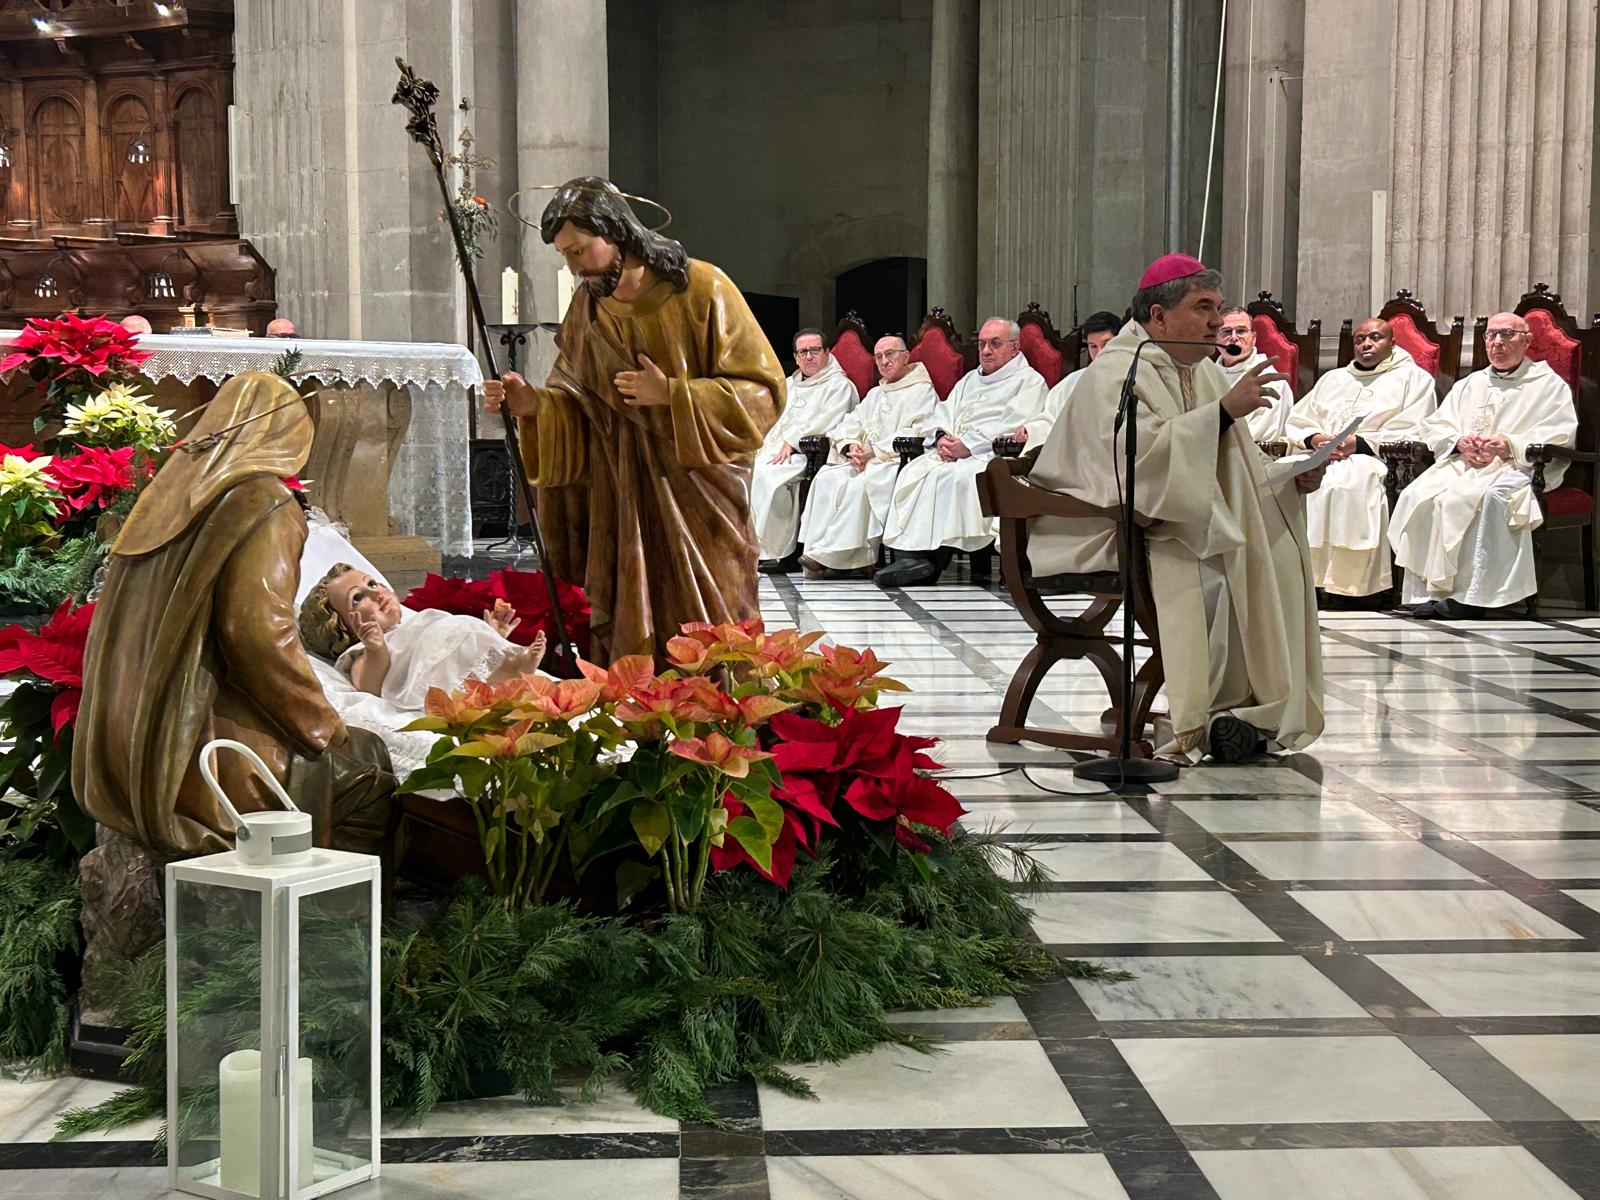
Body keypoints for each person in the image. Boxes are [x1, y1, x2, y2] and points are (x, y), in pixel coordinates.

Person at [72, 372, 397, 860]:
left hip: (128, 757)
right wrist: (320, 723)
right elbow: (256, 632)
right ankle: (325, 908)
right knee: (368, 769)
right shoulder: (264, 501)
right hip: (201, 759)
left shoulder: (165, 497)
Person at [1027, 253, 1326, 764]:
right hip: (1101, 526)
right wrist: (1223, 413)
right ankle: (1204, 717)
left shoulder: (1199, 369)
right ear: (1159, 316)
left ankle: (1245, 713)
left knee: (1272, 553)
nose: (1216, 321)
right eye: (1203, 307)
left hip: (1165, 521)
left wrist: (1287, 478)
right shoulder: (1120, 370)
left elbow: (1235, 463)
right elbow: (1136, 464)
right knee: (1216, 570)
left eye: (1219, 307)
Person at [482, 177, 785, 663]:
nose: (574, 268)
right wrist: (535, 405)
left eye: (579, 251)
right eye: (565, 256)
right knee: (634, 617)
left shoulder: (703, 288)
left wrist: (674, 395)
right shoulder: (588, 308)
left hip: (698, 491)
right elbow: (576, 398)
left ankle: (718, 703)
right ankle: (638, 700)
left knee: (715, 615)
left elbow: (764, 391)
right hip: (621, 495)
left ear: (616, 232)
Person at [1389, 311, 1576, 618]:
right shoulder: (1471, 383)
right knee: (1418, 495)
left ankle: (1474, 597)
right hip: (1465, 464)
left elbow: (1560, 434)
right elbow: (1436, 425)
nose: (1497, 342)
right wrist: (1459, 442)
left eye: (1507, 334)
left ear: (1527, 341)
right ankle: (1429, 592)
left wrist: (1508, 445)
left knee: (1485, 498)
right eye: (1491, 335)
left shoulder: (1548, 385)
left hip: (1519, 466)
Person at [875, 317, 1049, 587]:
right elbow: (942, 413)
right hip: (952, 453)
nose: (986, 350)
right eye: (982, 344)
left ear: (1015, 347)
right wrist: (941, 438)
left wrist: (968, 445)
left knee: (955, 478)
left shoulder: (1029, 382)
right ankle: (911, 556)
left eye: (995, 344)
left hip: (992, 455)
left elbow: (1016, 424)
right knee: (914, 472)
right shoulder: (969, 380)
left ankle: (933, 562)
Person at [1284, 318, 1437, 603]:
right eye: (1359, 339)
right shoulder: (1333, 379)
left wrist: (1358, 443)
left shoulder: (1414, 379)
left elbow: (1416, 428)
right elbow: (1299, 419)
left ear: (1392, 343)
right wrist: (1316, 438)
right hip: (1322, 453)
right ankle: (1303, 581)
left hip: (1374, 457)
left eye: (1375, 338)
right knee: (1288, 475)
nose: (1366, 344)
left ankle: (1350, 588)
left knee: (1344, 483)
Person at [298, 565, 547, 708]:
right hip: (427, 678)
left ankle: (505, 663)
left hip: (446, 653)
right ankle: (511, 668)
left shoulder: (411, 625)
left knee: (464, 630)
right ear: (342, 628)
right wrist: (375, 649)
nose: (375, 593)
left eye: (372, 584)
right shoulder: (360, 653)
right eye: (357, 598)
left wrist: (493, 634)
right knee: (460, 630)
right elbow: (368, 685)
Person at [798, 335, 939, 579]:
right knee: (827, 478)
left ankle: (838, 556)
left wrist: (875, 451)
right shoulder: (876, 393)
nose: (884, 361)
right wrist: (851, 446)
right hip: (864, 459)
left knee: (859, 485)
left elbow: (921, 431)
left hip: (896, 460)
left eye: (890, 354)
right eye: (879, 357)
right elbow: (850, 422)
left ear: (906, 356)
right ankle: (823, 554)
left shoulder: (922, 391)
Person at [751, 328, 859, 570]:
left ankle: (775, 551)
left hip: (808, 454)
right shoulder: (789, 384)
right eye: (802, 352)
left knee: (766, 477)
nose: (808, 356)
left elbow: (830, 420)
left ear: (827, 352)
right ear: (795, 357)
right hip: (772, 450)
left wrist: (791, 441)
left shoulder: (839, 386)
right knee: (743, 471)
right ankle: (747, 546)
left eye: (814, 350)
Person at [1018, 310, 1122, 444]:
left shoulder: (1134, 378)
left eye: (1106, 344)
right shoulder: (1074, 381)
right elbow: (1051, 418)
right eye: (1093, 346)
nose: (1100, 352)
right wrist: (1031, 431)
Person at [1216, 305, 1293, 442]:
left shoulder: (1271, 382)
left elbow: (1257, 438)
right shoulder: (1204, 373)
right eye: (1226, 331)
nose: (1233, 337)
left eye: (1241, 331)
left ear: (1254, 338)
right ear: (1215, 338)